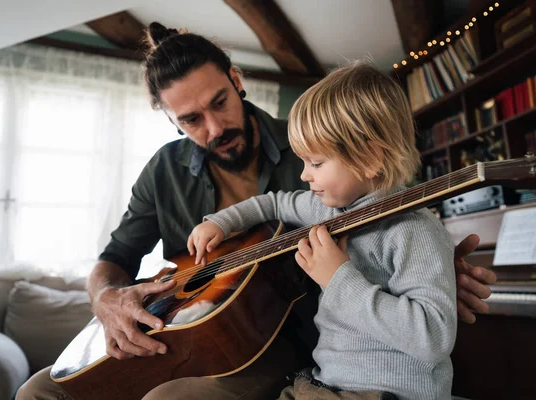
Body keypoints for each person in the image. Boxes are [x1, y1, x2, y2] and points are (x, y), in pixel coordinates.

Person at [17, 23, 496, 400]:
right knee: (38, 392)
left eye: (219, 102)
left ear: (237, 80)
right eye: (189, 119)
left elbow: (388, 205)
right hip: (185, 326)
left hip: (278, 342)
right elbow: (116, 256)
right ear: (169, 118)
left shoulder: (315, 143)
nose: (214, 127)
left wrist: (433, 270)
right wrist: (106, 301)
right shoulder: (163, 170)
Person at [188, 61, 456, 399]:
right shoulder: (323, 207)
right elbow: (271, 203)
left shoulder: (413, 230)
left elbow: (433, 337)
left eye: (316, 163)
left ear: (370, 158)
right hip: (324, 384)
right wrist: (220, 222)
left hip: (386, 393)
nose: (304, 175)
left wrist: (338, 278)